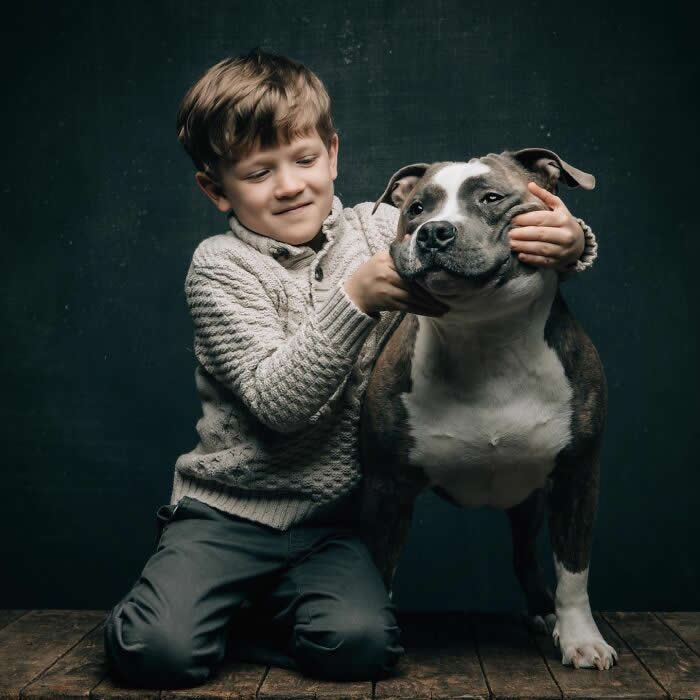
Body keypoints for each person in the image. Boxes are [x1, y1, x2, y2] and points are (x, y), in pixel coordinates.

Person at [103, 48, 598, 689]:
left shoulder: (384, 227)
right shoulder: (219, 269)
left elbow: (479, 223)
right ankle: (187, 610)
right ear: (214, 188)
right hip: (229, 516)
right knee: (155, 652)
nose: (289, 184)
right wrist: (356, 299)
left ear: (333, 154)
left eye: (305, 160)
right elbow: (278, 406)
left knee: (362, 648)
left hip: (333, 529)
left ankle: (247, 619)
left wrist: (570, 240)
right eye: (258, 172)